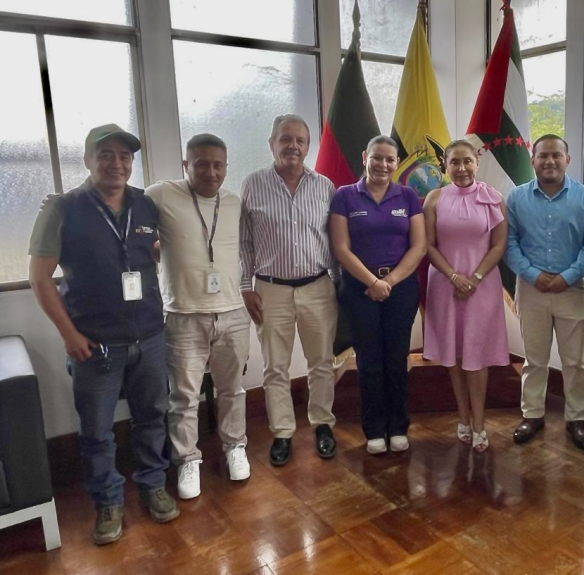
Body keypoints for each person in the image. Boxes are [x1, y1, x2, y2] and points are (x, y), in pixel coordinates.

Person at [28, 124, 179, 545]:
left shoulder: (145, 205)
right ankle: (108, 502)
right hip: (94, 344)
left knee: (152, 418)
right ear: (88, 159)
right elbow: (40, 279)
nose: (117, 164)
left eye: (125, 157)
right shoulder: (63, 208)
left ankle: (152, 486)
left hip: (149, 336)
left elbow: (152, 256)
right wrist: (68, 334)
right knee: (96, 431)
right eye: (106, 155)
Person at [146, 134, 251, 500]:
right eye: (202, 164)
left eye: (218, 165)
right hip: (183, 316)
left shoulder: (235, 201)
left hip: (232, 312)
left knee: (232, 390)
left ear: (226, 167)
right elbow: (121, 209)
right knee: (184, 397)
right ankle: (188, 460)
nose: (211, 171)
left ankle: (234, 446)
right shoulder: (161, 194)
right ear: (186, 165)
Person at [239, 114, 338, 467]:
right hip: (270, 290)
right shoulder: (252, 184)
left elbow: (335, 239)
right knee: (275, 367)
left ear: (308, 146)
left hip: (317, 286)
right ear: (272, 144)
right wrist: (244, 286)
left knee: (321, 363)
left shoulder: (325, 186)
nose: (293, 146)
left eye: (300, 140)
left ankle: (323, 424)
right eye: (285, 139)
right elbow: (244, 242)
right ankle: (282, 432)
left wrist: (337, 283)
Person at [505, 134, 584, 450]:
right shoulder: (516, 198)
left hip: (572, 289)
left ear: (567, 160)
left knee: (575, 362)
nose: (550, 161)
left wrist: (568, 276)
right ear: (533, 160)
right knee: (534, 359)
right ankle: (532, 415)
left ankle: (576, 418)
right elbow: (508, 243)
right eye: (543, 156)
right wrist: (533, 275)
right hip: (530, 288)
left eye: (556, 156)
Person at [329, 135, 426, 455]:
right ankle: (373, 429)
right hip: (359, 289)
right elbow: (341, 248)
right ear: (364, 157)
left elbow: (419, 246)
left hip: (401, 289)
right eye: (377, 158)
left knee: (397, 360)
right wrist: (372, 281)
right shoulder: (345, 196)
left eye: (389, 159)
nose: (383, 164)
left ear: (397, 163)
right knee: (369, 362)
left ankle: (398, 427)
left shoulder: (409, 196)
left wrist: (391, 281)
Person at [422, 139, 509, 452]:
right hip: (445, 284)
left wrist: (474, 278)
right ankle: (462, 417)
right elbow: (429, 245)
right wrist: (455, 277)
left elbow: (499, 245)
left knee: (476, 355)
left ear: (477, 163)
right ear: (445, 165)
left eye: (467, 161)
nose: (461, 168)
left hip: (482, 286)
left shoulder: (493, 198)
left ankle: (479, 423)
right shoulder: (433, 199)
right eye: (454, 162)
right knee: (454, 356)